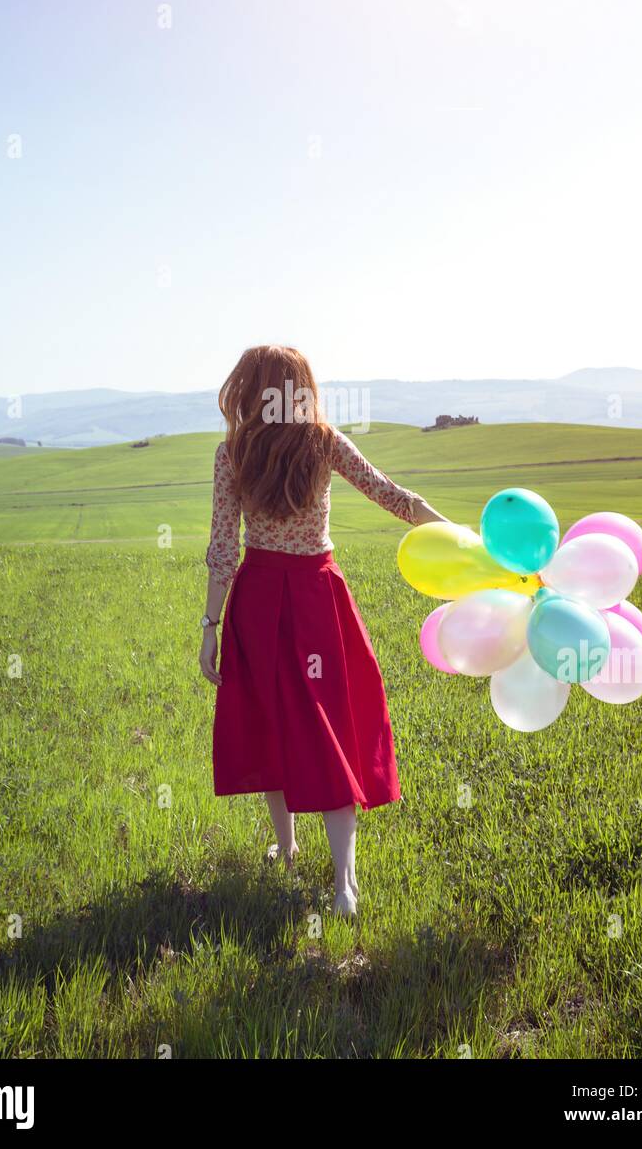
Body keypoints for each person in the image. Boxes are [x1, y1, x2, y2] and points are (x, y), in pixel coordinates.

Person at [199, 345, 446, 916]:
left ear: (249, 389)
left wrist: (210, 625)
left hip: (258, 600)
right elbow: (397, 499)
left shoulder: (230, 454)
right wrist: (462, 537)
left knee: (270, 722)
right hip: (317, 598)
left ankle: (287, 851)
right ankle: (343, 885)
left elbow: (222, 549)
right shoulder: (326, 443)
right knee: (329, 727)